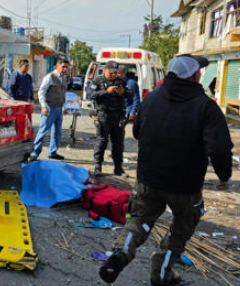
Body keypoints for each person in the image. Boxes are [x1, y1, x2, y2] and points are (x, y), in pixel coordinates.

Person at [99, 55, 233, 286]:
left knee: (140, 218)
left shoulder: (151, 99)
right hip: (184, 184)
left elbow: (138, 133)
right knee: (182, 225)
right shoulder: (205, 105)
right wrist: (224, 176)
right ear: (193, 75)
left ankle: (121, 252)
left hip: (148, 178)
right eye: (199, 71)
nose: (201, 74)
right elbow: (220, 149)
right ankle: (161, 272)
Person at [86, 61, 132, 176]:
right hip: (103, 115)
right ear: (105, 70)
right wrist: (106, 91)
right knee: (101, 141)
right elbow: (89, 94)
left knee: (118, 143)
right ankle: (98, 167)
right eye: (111, 72)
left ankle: (118, 168)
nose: (113, 74)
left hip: (118, 116)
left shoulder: (120, 81)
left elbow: (131, 94)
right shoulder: (98, 81)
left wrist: (124, 92)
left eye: (115, 72)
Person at [30, 59, 70, 161]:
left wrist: (64, 107)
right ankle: (34, 153)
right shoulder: (50, 77)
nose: (65, 69)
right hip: (49, 108)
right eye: (63, 67)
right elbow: (41, 92)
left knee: (57, 132)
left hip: (59, 109)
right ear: (57, 66)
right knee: (43, 130)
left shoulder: (64, 78)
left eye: (67, 67)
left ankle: (52, 152)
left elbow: (63, 94)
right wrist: (43, 106)